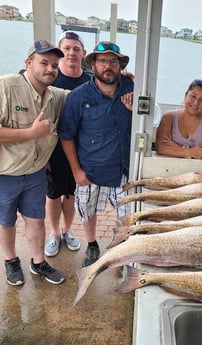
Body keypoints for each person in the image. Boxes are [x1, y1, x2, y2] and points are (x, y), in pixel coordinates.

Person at [58, 41, 134, 267]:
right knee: (87, 211)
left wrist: (138, 102)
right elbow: (66, 135)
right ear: (93, 64)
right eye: (102, 61)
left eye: (113, 61)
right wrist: (76, 171)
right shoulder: (78, 97)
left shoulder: (133, 91)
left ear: (120, 66)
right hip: (90, 171)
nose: (108, 66)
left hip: (124, 171)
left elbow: (151, 119)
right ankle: (92, 244)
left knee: (127, 216)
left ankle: (122, 247)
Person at [0, 40, 66, 286]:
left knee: (36, 220)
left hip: (36, 173)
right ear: (28, 63)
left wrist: (122, 78)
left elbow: (84, 95)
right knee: (5, 222)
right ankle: (11, 261)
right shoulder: (6, 87)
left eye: (54, 65)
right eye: (44, 63)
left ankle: (38, 263)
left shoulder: (56, 96)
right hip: (5, 173)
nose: (50, 69)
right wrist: (31, 133)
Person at [44, 31, 91, 257]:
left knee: (71, 193)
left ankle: (67, 230)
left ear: (83, 53)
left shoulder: (90, 81)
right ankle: (54, 232)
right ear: (61, 52)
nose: (71, 53)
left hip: (79, 151)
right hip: (53, 151)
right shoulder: (51, 78)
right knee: (53, 194)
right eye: (67, 48)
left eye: (76, 49)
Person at [155, 79, 202, 159]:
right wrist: (193, 152)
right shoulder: (169, 117)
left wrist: (176, 147)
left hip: (198, 170)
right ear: (186, 95)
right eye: (193, 96)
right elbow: (160, 148)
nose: (196, 103)